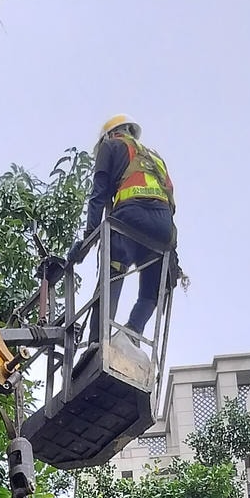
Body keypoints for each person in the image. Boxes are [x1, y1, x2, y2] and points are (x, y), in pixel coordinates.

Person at [83, 112, 176, 337]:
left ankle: (97, 342)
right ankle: (133, 332)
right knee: (153, 289)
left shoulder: (111, 145)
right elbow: (170, 199)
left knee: (112, 276)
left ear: (110, 135)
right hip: (162, 228)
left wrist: (88, 237)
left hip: (130, 219)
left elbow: (99, 194)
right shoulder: (156, 158)